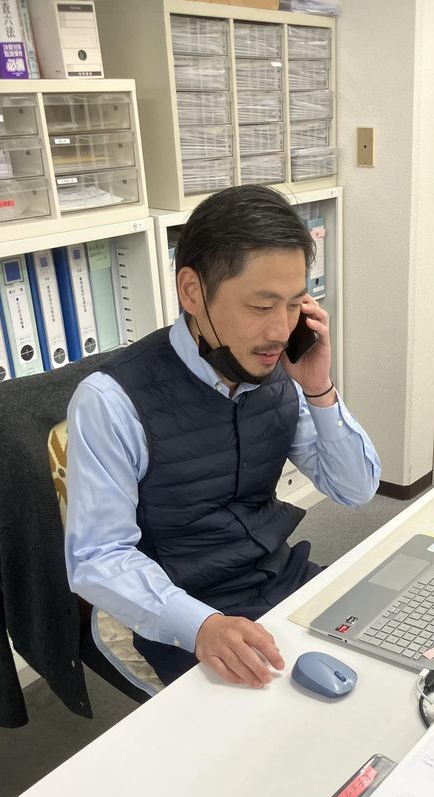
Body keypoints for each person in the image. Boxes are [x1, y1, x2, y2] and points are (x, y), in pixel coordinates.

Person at [65, 185, 380, 688]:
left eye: (294, 305)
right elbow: (97, 557)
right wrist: (200, 625)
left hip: (277, 577)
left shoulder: (278, 371)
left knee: (390, 661)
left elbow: (354, 489)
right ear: (192, 291)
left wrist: (319, 389)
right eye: (261, 307)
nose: (281, 331)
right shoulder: (110, 401)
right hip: (181, 606)